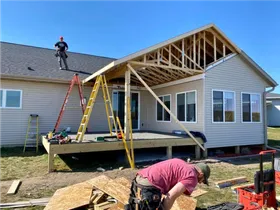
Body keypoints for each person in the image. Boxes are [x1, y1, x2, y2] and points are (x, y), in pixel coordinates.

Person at [125, 158, 210, 210]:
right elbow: (171, 196)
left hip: (139, 179)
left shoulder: (181, 163)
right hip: (149, 186)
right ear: (201, 174)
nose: (200, 182)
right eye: (203, 180)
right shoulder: (192, 177)